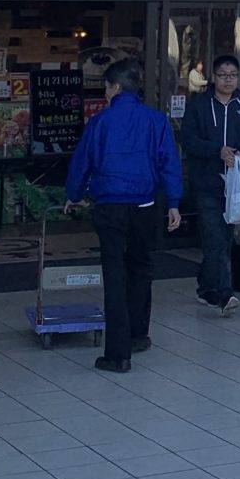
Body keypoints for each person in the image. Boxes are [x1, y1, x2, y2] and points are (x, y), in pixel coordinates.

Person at [64, 58, 183, 373]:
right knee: (141, 268)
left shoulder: (100, 122)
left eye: (105, 86)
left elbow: (82, 163)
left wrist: (74, 195)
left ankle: (117, 354)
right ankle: (138, 335)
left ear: (114, 87)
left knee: (114, 274)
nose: (105, 92)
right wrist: (174, 201)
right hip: (145, 205)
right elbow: (168, 161)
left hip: (110, 205)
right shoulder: (157, 121)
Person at [179, 53, 240, 315]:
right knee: (214, 238)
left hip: (234, 185)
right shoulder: (199, 106)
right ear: (213, 78)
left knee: (223, 239)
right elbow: (189, 140)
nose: (228, 80)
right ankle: (226, 295)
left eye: (233, 75)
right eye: (223, 75)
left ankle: (206, 288)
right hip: (206, 183)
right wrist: (218, 150)